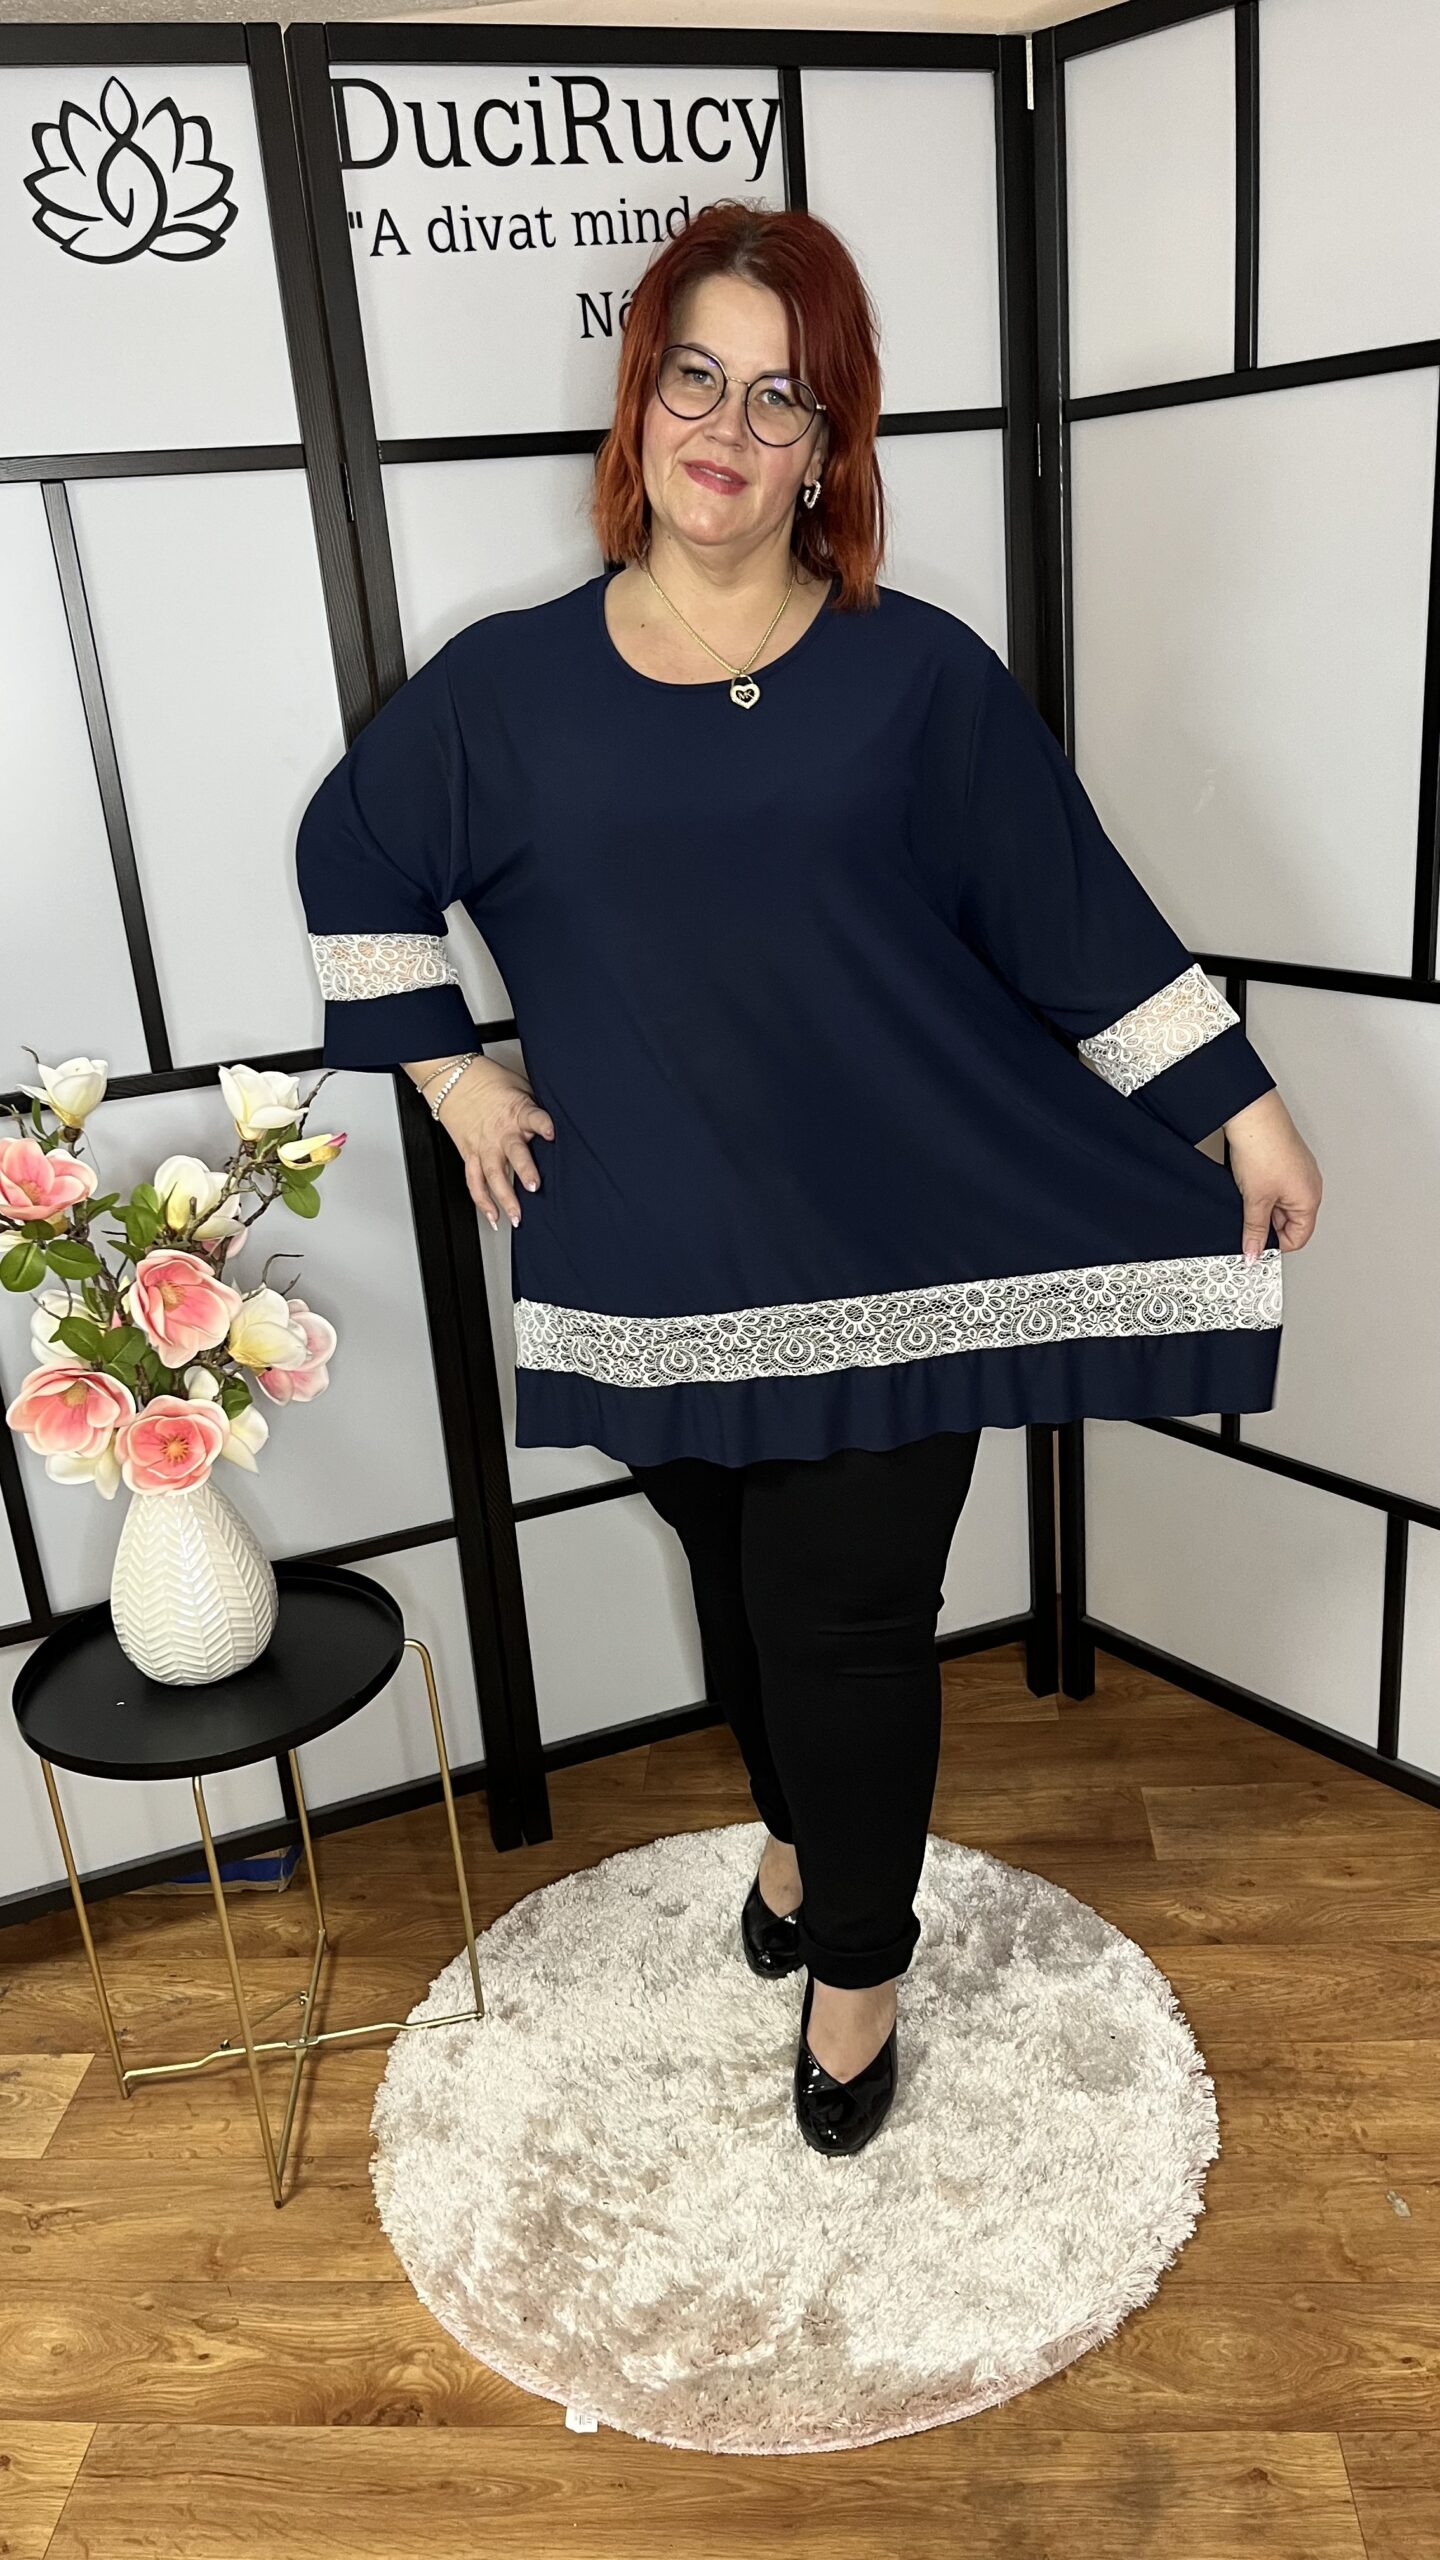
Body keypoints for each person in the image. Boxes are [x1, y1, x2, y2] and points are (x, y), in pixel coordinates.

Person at [294, 201, 1323, 2156]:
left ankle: (857, 1970)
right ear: (641, 399)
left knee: (847, 1623)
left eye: (784, 397)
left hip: (901, 1232)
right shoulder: (506, 692)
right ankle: (793, 1835)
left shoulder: (912, 676)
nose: (730, 427)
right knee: (748, 1586)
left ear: (830, 446)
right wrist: (448, 1072)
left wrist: (1237, 1106)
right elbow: (352, 851)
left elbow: (1067, 912)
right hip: (653, 1251)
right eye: (698, 376)